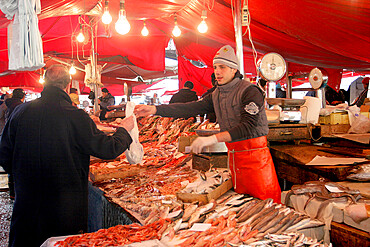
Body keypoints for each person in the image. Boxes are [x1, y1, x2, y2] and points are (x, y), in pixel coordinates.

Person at [0, 64, 134, 247]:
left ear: (44, 82)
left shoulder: (20, 112)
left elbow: (4, 154)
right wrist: (124, 131)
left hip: (27, 201)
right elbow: (107, 149)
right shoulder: (75, 116)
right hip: (65, 206)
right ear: (67, 84)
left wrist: (22, 175)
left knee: (26, 240)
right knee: (63, 242)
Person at [135, 45, 281, 203]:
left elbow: (248, 126)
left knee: (267, 206)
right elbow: (190, 108)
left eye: (222, 67)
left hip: (256, 161)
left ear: (234, 69)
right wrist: (154, 109)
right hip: (234, 159)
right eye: (215, 67)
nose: (217, 72)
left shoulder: (249, 91)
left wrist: (212, 139)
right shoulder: (216, 94)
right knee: (244, 207)